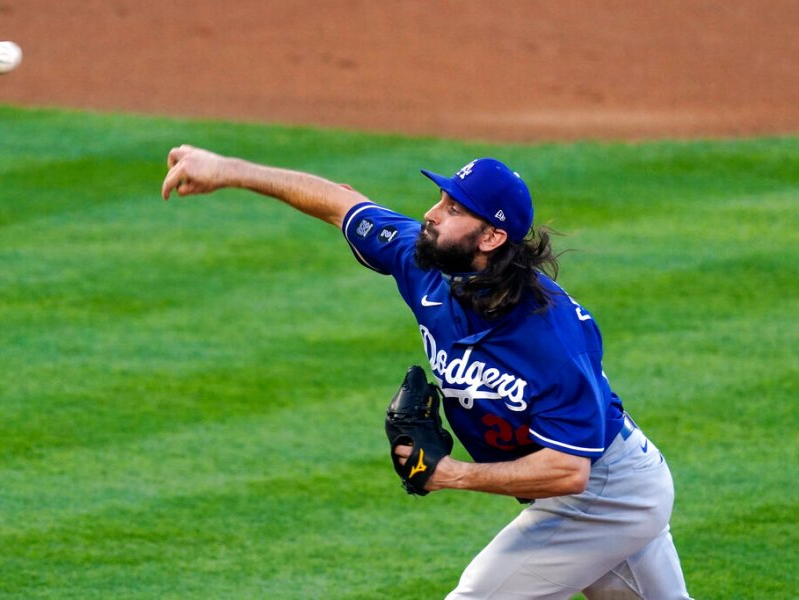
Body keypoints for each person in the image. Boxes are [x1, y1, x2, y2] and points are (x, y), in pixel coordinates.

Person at [161, 146, 692, 599]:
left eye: (454, 208)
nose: (432, 214)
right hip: (600, 487)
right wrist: (226, 168)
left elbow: (568, 471)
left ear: (490, 238)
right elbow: (339, 202)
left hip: (603, 493)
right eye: (440, 198)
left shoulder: (551, 335)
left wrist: (452, 475)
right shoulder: (425, 262)